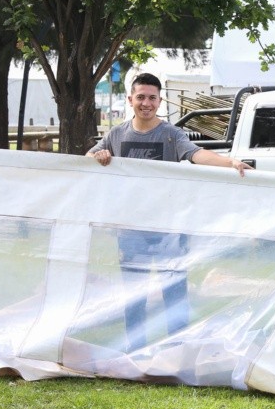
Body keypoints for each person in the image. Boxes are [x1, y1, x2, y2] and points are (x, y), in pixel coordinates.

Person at [86, 72, 251, 352]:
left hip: (169, 232)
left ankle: (176, 350)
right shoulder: (116, 134)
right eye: (141, 97)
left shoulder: (172, 135)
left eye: (152, 98)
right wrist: (97, 156)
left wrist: (230, 162)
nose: (146, 103)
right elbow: (89, 158)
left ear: (160, 101)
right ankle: (135, 352)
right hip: (131, 232)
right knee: (133, 297)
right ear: (130, 100)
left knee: (173, 293)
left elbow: (197, 155)